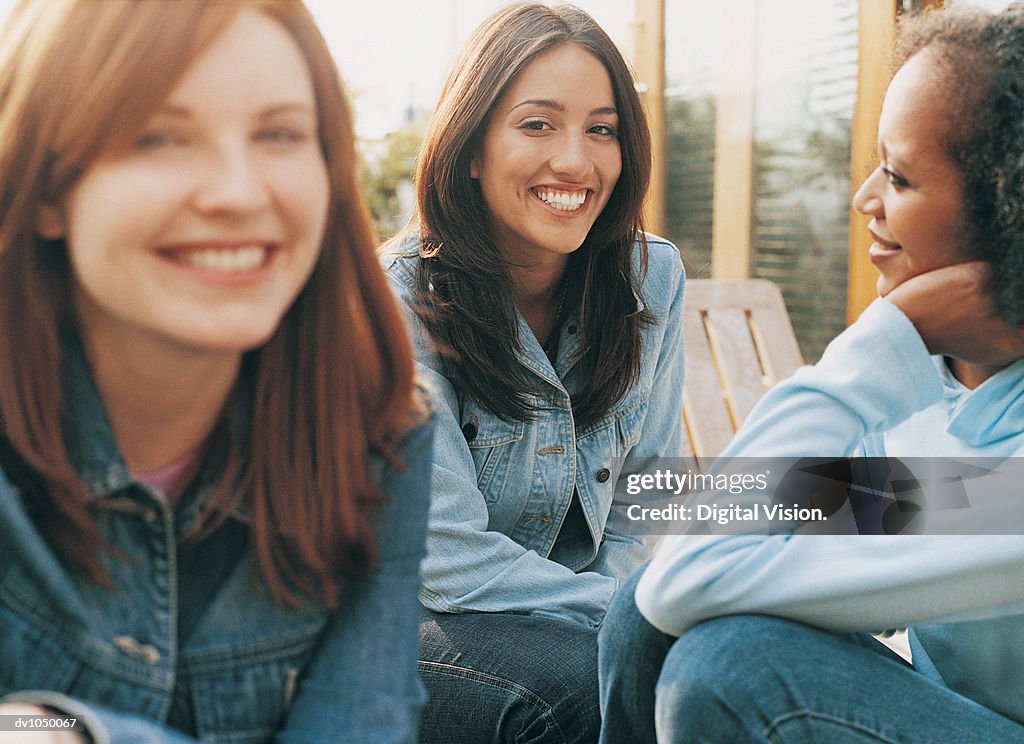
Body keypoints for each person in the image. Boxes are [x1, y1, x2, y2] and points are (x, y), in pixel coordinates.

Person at [0, 1, 433, 742]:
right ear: (46, 190)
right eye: (159, 137)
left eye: (280, 134)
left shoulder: (379, 428)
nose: (237, 192)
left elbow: (361, 717)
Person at [599, 5, 1024, 743]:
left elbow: (693, 575)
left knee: (731, 668)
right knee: (643, 620)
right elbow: (705, 550)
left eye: (897, 176)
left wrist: (881, 344)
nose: (864, 199)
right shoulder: (941, 401)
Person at [380, 2, 685, 742]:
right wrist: (637, 616)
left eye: (602, 129)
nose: (576, 162)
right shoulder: (397, 298)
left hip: (570, 616)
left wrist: (642, 617)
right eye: (537, 124)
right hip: (404, 630)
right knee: (596, 689)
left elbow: (643, 502)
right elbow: (444, 562)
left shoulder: (653, 277)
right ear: (472, 145)